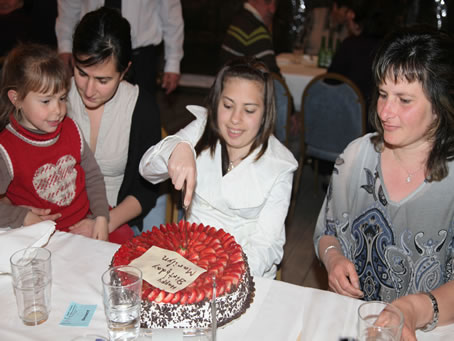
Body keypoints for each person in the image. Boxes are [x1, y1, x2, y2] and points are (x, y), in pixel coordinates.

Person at [313, 26, 454, 339]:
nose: (386, 111)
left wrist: (414, 309)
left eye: (404, 100)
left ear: (441, 107)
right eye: (383, 94)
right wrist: (333, 257)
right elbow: (327, 232)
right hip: (353, 325)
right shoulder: (355, 158)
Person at [139, 58, 298, 279]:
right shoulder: (203, 128)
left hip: (242, 272)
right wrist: (178, 147)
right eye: (228, 106)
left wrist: (221, 277)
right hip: (187, 264)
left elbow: (266, 245)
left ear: (265, 114)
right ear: (216, 103)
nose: (235, 119)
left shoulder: (280, 165)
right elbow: (147, 169)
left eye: (249, 110)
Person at [66, 7, 161, 240]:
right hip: (63, 217)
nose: (89, 90)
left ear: (124, 71)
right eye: (82, 73)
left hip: (118, 220)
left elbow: (146, 191)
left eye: (103, 80)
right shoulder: (55, 98)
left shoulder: (142, 108)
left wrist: (103, 224)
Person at [0, 43, 109, 240]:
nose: (57, 110)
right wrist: (21, 216)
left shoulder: (71, 129)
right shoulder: (6, 150)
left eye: (62, 98)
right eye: (46, 101)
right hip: (42, 239)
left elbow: (93, 176)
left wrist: (101, 216)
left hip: (87, 223)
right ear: (16, 99)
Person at [55, 0, 184, 95]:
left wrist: (173, 61)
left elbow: (171, 13)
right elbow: (69, 7)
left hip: (141, 56)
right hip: (91, 50)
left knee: (139, 113)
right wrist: (65, 45)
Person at [219, 0, 291, 144]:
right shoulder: (255, 30)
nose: (272, 9)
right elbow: (274, 77)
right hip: (241, 96)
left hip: (227, 91)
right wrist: (292, 111)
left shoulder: (238, 20)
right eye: (270, 3)